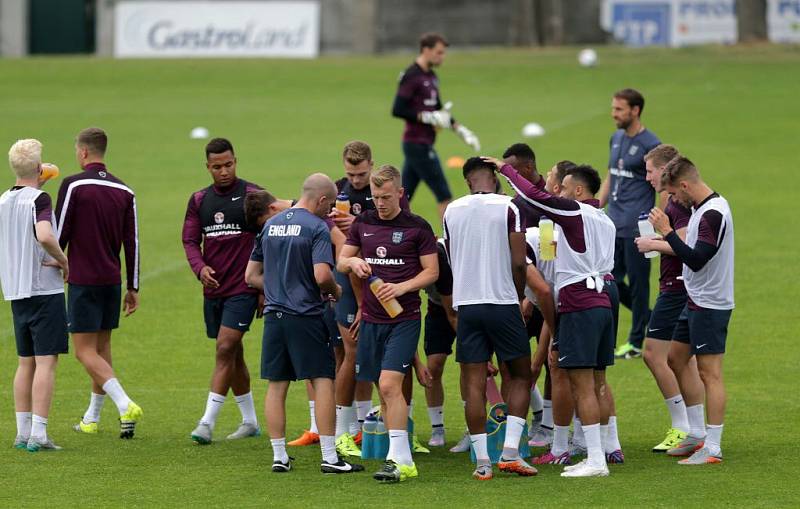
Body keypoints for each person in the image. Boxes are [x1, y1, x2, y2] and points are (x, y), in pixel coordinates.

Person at [495, 158, 617, 478]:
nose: (559, 193)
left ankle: (594, 460)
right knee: (598, 382)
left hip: (579, 302)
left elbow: (537, 198)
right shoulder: (605, 220)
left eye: (563, 188)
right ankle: (606, 447)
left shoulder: (575, 213)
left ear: (578, 190)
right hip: (603, 300)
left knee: (582, 385)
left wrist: (506, 170)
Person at [245, 173, 363, 474]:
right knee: (323, 380)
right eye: (331, 204)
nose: (331, 211)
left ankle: (279, 456)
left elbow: (250, 276)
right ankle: (329, 456)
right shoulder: (316, 227)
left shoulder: (271, 225)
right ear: (322, 199)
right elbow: (323, 276)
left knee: (276, 385)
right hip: (307, 315)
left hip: (274, 316)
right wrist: (336, 292)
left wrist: (276, 287)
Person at [337, 165, 438, 483]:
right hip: (372, 320)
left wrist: (404, 287)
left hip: (404, 320)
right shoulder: (363, 223)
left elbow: (431, 272)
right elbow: (342, 260)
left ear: (400, 193)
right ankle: (398, 455)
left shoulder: (417, 227)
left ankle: (403, 461)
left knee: (389, 385)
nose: (380, 203)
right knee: (385, 393)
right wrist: (352, 261)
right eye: (375, 197)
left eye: (385, 197)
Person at [443, 157, 536, 481]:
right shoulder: (510, 207)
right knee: (521, 376)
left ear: (468, 181)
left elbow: (453, 257)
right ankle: (509, 453)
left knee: (474, 383)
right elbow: (519, 263)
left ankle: (482, 462)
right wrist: (519, 295)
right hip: (502, 302)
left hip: (468, 306)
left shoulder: (451, 211)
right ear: (494, 180)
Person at [56, 127, 142, 439]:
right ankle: (92, 418)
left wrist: (57, 260)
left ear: (82, 152)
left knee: (83, 352)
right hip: (111, 281)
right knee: (102, 349)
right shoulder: (125, 191)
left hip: (83, 280)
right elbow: (132, 242)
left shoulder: (73, 184)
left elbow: (60, 229)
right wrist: (133, 286)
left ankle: (125, 403)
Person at [648, 156, 734, 465]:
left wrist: (667, 233)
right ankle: (697, 434)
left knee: (710, 373)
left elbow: (697, 259)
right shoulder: (701, 208)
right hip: (694, 299)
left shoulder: (712, 213)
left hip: (710, 304)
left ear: (684, 185)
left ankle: (713, 447)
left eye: (672, 193)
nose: (673, 200)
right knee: (676, 357)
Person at [182, 138, 262, 444]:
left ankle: (206, 422)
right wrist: (200, 268)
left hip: (243, 287)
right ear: (208, 167)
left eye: (229, 165)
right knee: (234, 353)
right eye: (217, 167)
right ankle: (250, 421)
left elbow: (267, 239)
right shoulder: (200, 200)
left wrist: (262, 287)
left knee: (225, 348)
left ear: (236, 161)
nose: (224, 171)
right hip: (214, 291)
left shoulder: (252, 195)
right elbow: (190, 240)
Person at [635, 145, 705, 453]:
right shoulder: (670, 199)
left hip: (678, 287)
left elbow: (688, 243)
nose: (647, 176)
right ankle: (695, 428)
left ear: (666, 171)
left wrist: (654, 241)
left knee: (654, 354)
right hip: (673, 284)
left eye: (650, 170)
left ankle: (683, 426)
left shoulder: (679, 201)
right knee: (680, 359)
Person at [1, 139, 69, 451]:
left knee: (24, 361)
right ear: (39, 168)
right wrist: (63, 260)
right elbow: (44, 234)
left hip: (16, 290)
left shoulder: (3, 200)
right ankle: (39, 434)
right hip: (44, 289)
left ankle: (21, 432)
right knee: (46, 362)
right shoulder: (40, 200)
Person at [598, 89, 661, 359]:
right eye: (613, 108)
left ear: (635, 110)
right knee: (607, 278)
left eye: (619, 109)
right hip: (613, 223)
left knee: (638, 285)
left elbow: (664, 185)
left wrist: (663, 221)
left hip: (639, 227)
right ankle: (647, 317)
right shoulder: (616, 138)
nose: (614, 114)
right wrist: (596, 204)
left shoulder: (652, 144)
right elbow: (611, 175)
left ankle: (636, 342)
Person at [392, 32, 480, 219]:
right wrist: (426, 117)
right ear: (426, 50)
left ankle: (390, 231)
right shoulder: (411, 76)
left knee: (403, 198)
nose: (442, 57)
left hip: (422, 144)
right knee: (444, 196)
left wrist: (460, 129)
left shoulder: (432, 76)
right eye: (439, 52)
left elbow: (439, 110)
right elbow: (398, 109)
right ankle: (449, 244)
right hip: (417, 144)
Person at [421, 238, 457, 447]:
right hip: (438, 308)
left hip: (468, 307)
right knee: (433, 366)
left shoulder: (456, 251)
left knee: (475, 366)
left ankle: (474, 431)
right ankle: (437, 428)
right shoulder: (425, 251)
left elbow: (454, 313)